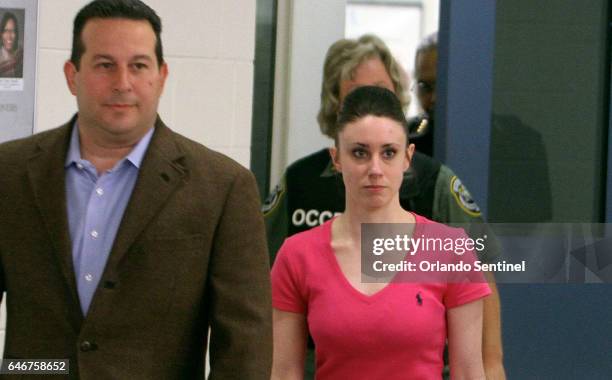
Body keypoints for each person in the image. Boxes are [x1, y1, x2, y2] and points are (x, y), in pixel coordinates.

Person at [0, 1, 272, 378]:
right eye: (105, 64)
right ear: (72, 75)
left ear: (161, 76)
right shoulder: (9, 172)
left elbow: (245, 346)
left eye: (138, 66)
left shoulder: (223, 188)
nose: (123, 82)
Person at [263, 34, 505, 379]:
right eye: (359, 152)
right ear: (338, 158)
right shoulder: (300, 195)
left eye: (388, 152)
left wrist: (494, 363)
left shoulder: (441, 207)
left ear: (406, 157)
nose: (374, 169)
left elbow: (472, 366)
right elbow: (283, 368)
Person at [407, 32, 437, 156]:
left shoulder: (494, 138)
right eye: (425, 87)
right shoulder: (407, 139)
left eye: (442, 87)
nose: (434, 98)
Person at [0, 11, 23, 78]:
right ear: (1, 34)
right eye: (6, 31)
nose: (9, 36)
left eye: (13, 31)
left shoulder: (20, 55)